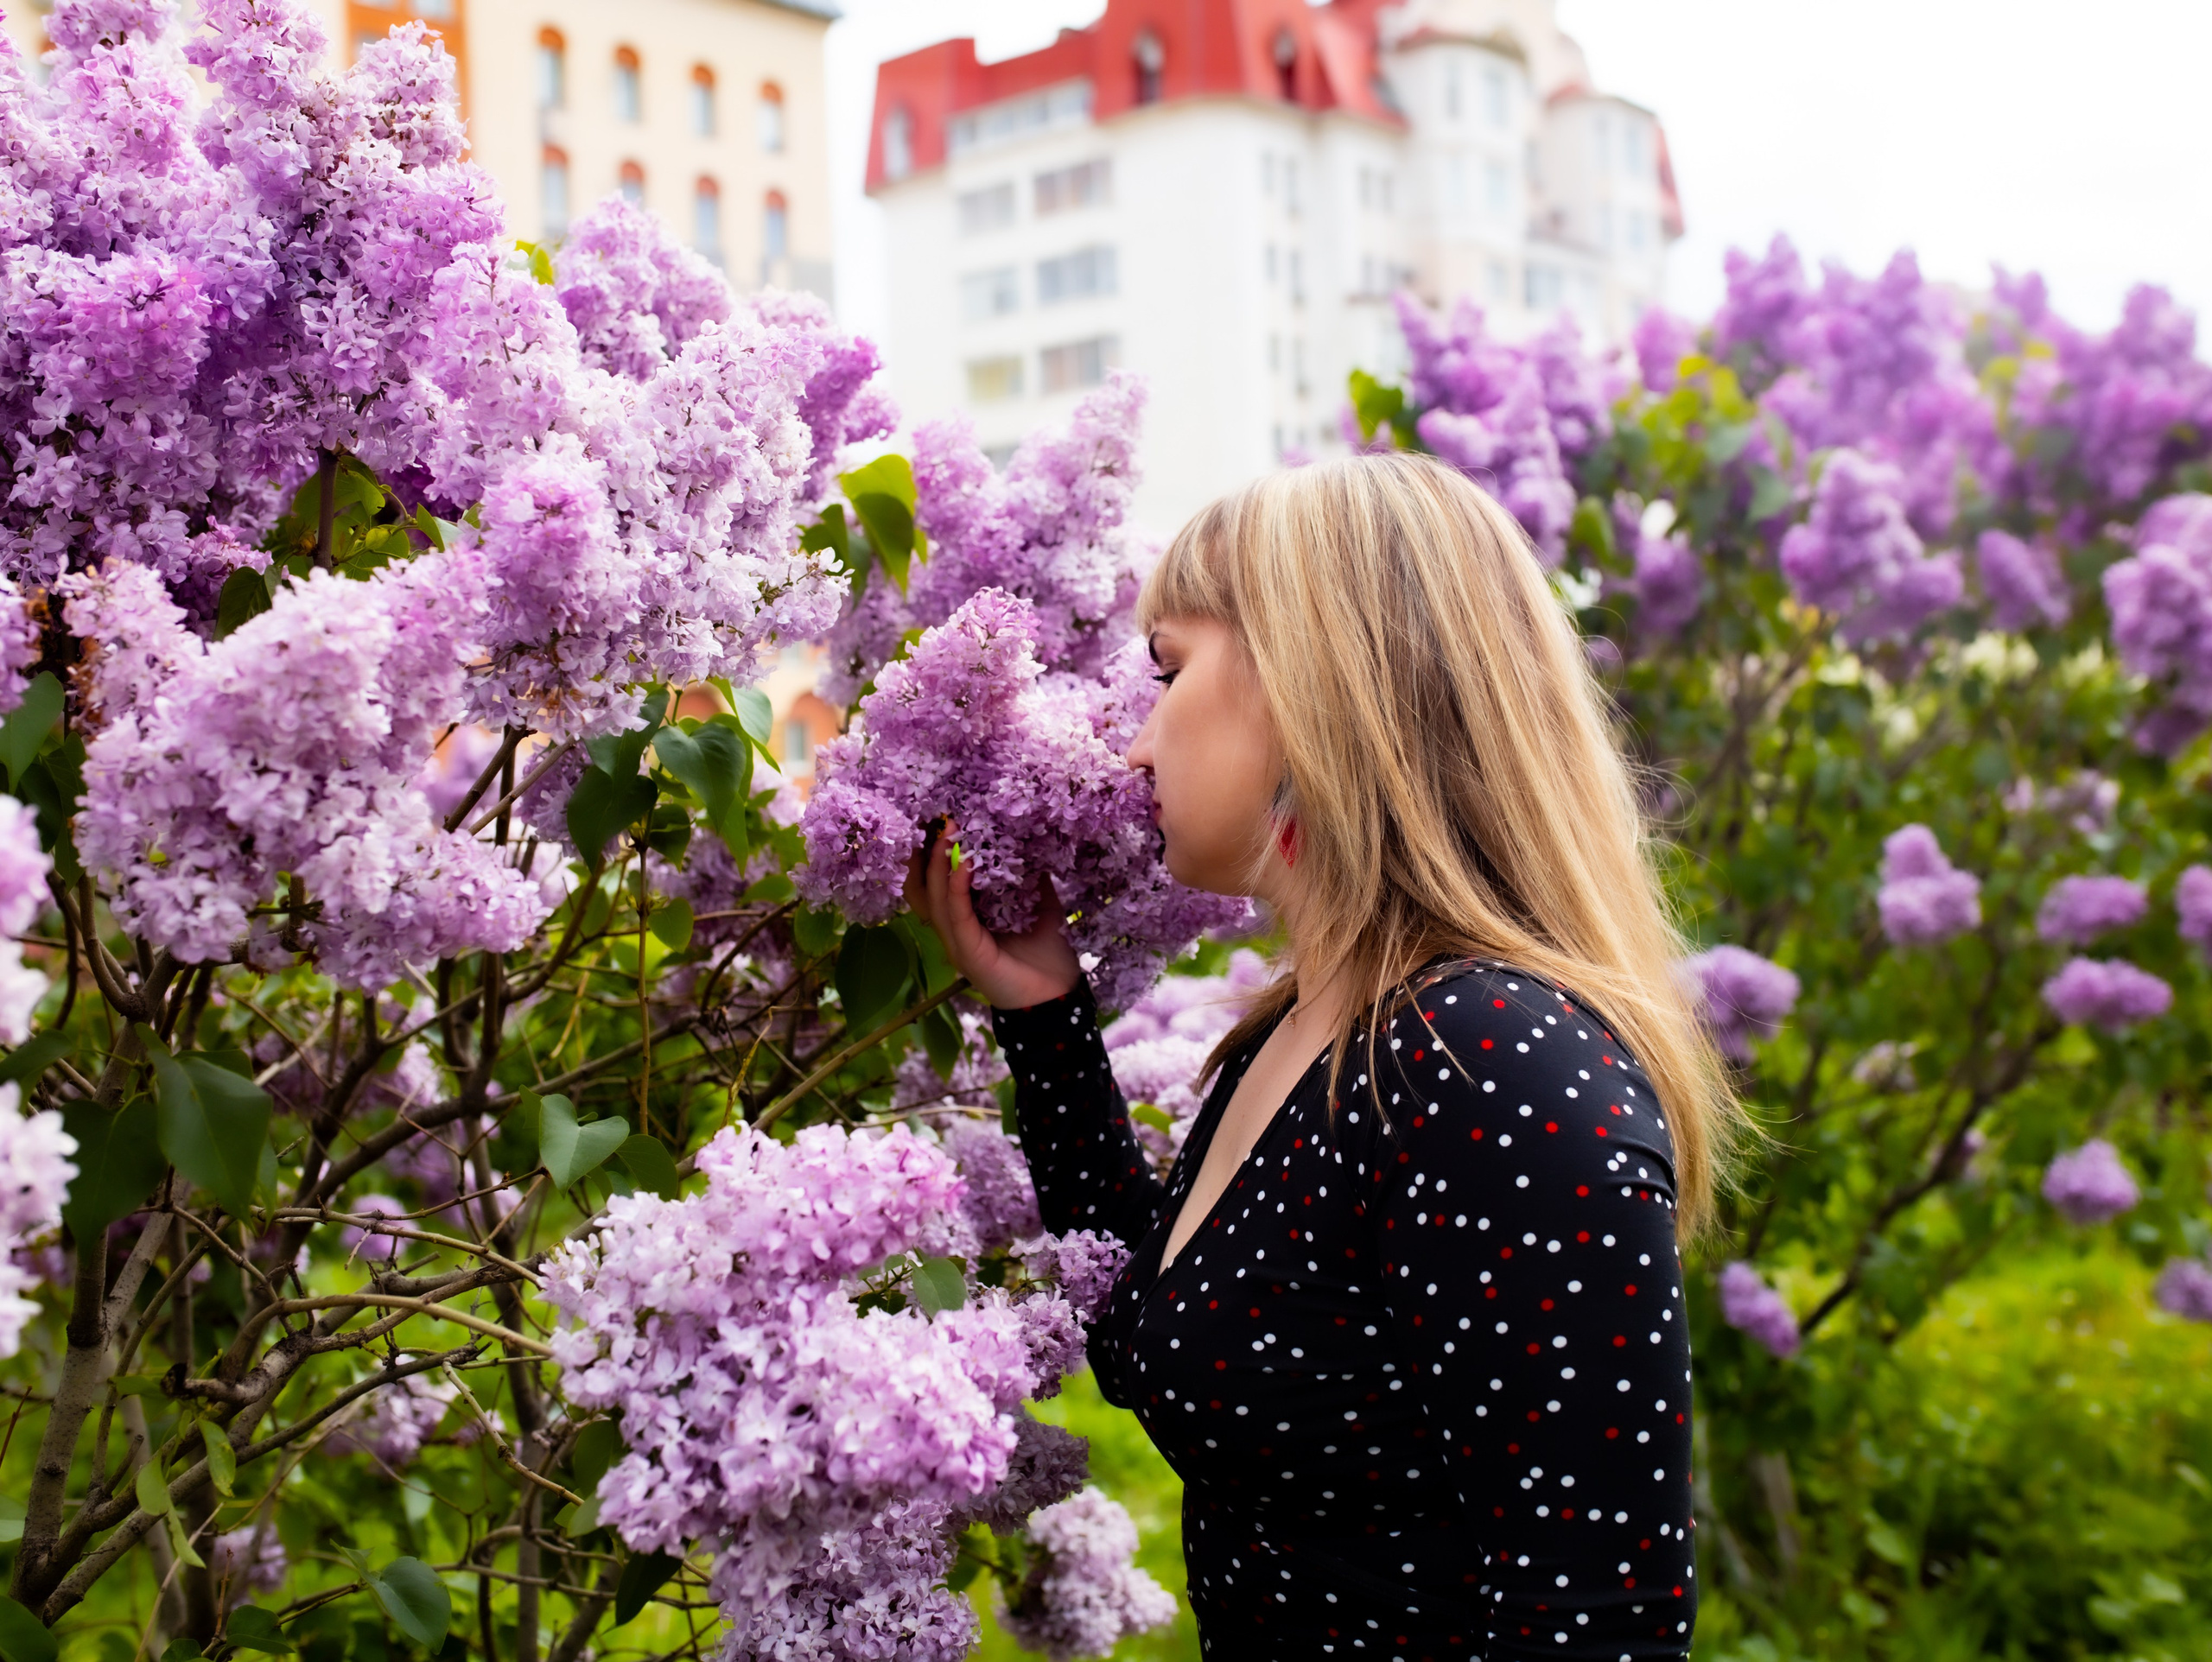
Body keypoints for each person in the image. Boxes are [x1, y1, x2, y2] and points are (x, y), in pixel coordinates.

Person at [907, 451, 1740, 1659]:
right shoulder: (1297, 1042)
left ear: (1311, 679)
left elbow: (1595, 1624)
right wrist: (1045, 1016)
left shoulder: (1493, 1068)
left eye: (1169, 670)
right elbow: (1167, 1328)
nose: (1136, 744)